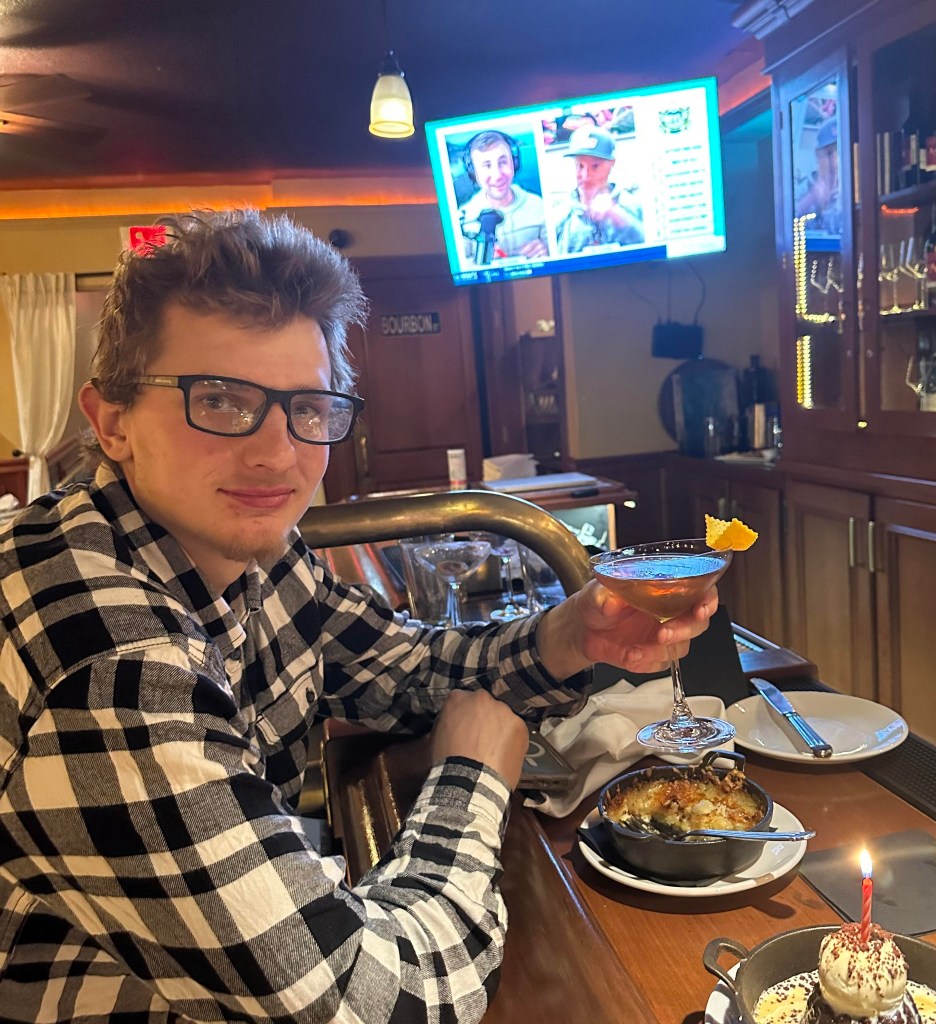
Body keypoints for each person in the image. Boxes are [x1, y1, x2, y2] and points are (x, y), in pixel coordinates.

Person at [0, 209, 717, 1024]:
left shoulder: (254, 554)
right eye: (221, 401)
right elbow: (378, 1004)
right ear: (112, 422)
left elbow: (398, 667)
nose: (277, 452)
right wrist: (470, 777)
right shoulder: (107, 659)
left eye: (309, 406)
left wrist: (567, 637)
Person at [457, 129, 548, 263]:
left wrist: (547, 253)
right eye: (487, 166)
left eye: (503, 162)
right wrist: (482, 263)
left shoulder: (540, 206)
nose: (498, 175)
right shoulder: (463, 219)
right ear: (473, 173)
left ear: (514, 163)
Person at [555, 125, 644, 254]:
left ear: (612, 163)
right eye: (580, 166)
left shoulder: (635, 205)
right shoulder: (560, 215)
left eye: (595, 166)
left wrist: (616, 216)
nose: (586, 175)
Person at [795, 117, 841, 236]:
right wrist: (812, 197)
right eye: (829, 154)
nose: (834, 162)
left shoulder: (851, 191)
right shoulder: (802, 189)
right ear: (817, 154)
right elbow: (784, 224)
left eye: (839, 153)